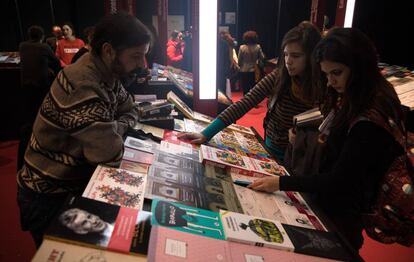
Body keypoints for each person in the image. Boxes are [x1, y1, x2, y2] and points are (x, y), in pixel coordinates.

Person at [248, 27, 404, 250]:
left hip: (342, 211)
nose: (330, 82)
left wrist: (281, 182)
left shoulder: (369, 118)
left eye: (336, 73)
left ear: (358, 65)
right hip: (337, 202)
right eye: (326, 74)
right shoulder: (365, 91)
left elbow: (340, 179)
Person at [17, 12, 152, 248]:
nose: (142, 64)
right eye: (136, 56)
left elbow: (131, 109)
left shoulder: (106, 73)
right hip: (50, 197)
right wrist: (118, 128)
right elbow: (107, 154)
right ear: (109, 50)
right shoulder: (84, 83)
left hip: (73, 185)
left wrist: (114, 127)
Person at [179, 22, 323, 161]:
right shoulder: (279, 76)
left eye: (296, 56)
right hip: (271, 150)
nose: (288, 61)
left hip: (303, 158)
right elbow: (244, 103)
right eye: (286, 54)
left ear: (311, 56)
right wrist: (206, 133)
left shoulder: (324, 85)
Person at [18, 25, 61, 170]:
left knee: (29, 113)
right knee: (41, 112)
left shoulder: (22, 46)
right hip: (41, 85)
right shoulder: (44, 47)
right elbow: (56, 63)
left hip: (25, 85)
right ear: (42, 36)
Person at [238, 31, 265, 95]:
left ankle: (245, 101)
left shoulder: (242, 47)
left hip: (244, 70)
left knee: (245, 87)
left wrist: (240, 66)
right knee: (253, 87)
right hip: (254, 70)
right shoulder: (258, 47)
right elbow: (262, 57)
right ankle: (253, 101)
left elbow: (239, 60)